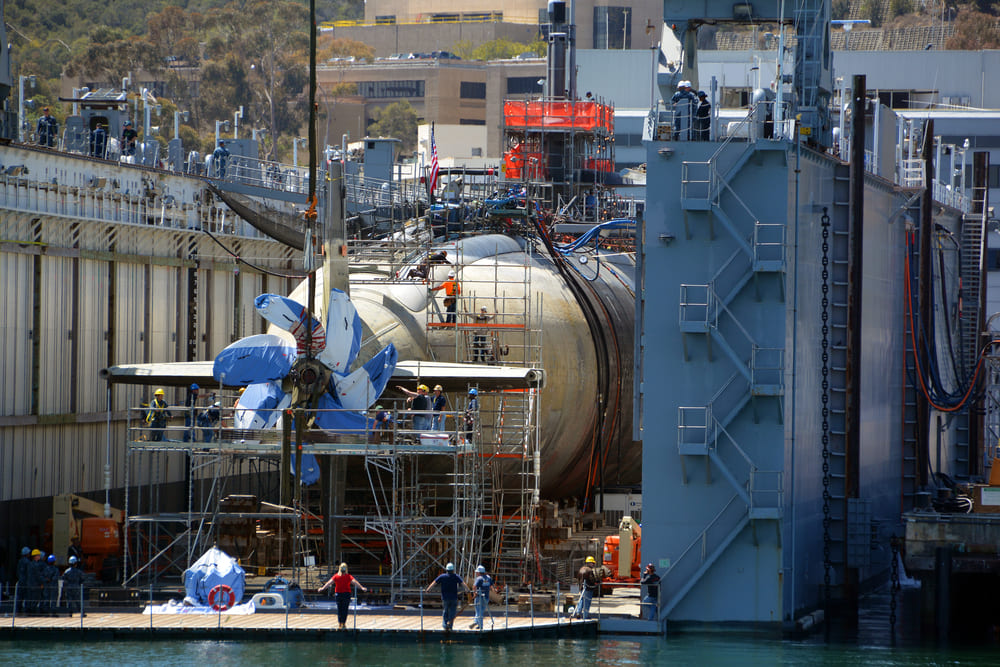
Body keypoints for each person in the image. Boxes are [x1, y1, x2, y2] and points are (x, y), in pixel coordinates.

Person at [318, 562, 367, 630]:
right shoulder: (343, 576)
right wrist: (323, 588)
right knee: (342, 609)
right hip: (343, 594)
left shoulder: (343, 576)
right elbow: (329, 583)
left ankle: (342, 623)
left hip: (342, 594)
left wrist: (361, 587)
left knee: (342, 609)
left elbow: (355, 582)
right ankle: (342, 623)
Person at [425, 562, 469, 631]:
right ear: (453, 570)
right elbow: (463, 583)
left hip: (445, 597)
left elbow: (434, 583)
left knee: (445, 611)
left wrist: (428, 589)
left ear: (446, 569)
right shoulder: (456, 576)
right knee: (452, 612)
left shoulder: (442, 576)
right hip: (454, 597)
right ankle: (450, 625)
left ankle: (445, 625)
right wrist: (467, 590)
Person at [575, 555, 599, 620]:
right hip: (588, 588)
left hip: (581, 588)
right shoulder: (589, 570)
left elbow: (578, 578)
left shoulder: (581, 569)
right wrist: (596, 582)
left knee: (581, 600)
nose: (593, 564)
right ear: (589, 563)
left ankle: (578, 612)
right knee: (587, 602)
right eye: (592, 563)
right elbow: (592, 579)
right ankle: (585, 616)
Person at [470, 564, 492, 630]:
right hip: (486, 597)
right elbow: (491, 586)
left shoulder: (479, 578)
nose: (476, 573)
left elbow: (474, 586)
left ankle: (477, 622)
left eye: (477, 572)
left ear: (479, 572)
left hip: (479, 597)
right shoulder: (488, 577)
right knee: (481, 611)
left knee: (478, 611)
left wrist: (474, 593)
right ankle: (479, 625)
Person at [26, 549, 45, 613]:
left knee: (30, 598)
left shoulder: (29, 564)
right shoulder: (36, 565)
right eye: (38, 555)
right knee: (35, 598)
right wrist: (42, 583)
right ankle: (32, 611)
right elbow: (38, 576)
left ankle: (29, 609)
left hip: (30, 584)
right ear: (35, 556)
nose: (39, 556)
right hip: (35, 585)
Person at [16, 546, 31, 611]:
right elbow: (29, 572)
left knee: (20, 596)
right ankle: (27, 609)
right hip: (26, 581)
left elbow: (17, 571)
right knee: (27, 596)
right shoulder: (27, 562)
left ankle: (18, 608)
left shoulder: (20, 561)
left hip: (20, 581)